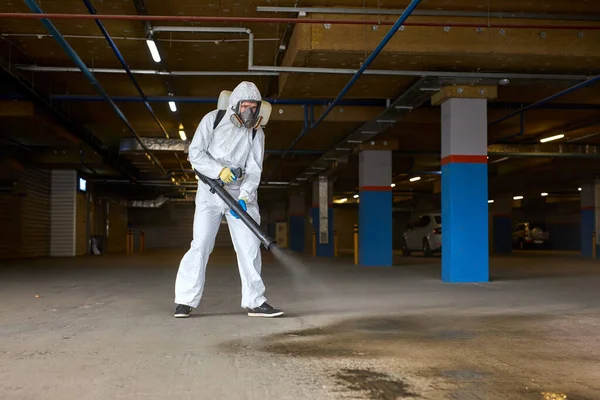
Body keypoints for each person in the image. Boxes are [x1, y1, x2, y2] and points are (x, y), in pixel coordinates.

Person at [173, 81, 283, 319]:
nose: (249, 112)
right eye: (245, 105)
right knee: (201, 244)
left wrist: (244, 197)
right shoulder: (212, 119)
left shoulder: (257, 132)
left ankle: (255, 301)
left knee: (250, 246)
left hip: (239, 192)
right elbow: (195, 153)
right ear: (235, 104)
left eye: (254, 107)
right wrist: (217, 171)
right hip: (210, 191)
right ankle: (184, 301)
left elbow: (254, 169)